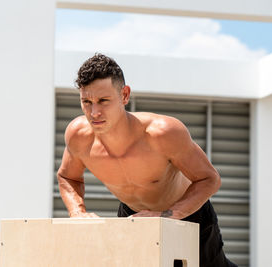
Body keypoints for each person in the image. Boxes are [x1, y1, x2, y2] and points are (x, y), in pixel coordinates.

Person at [57, 53, 237, 267]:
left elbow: (209, 179)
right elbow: (68, 177)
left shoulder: (163, 133)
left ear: (124, 95)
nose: (94, 112)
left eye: (103, 101)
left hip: (188, 213)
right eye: (86, 102)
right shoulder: (78, 136)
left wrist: (170, 214)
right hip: (133, 216)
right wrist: (77, 212)